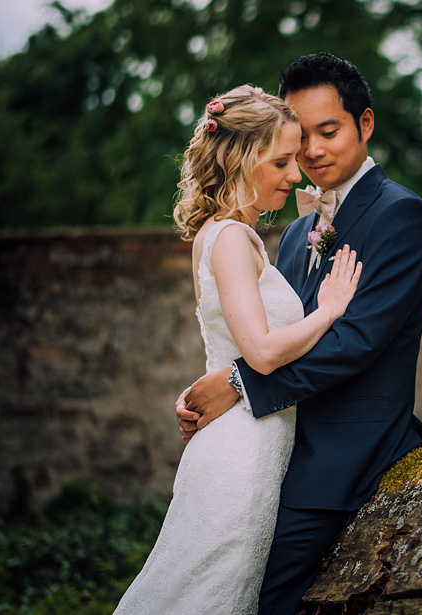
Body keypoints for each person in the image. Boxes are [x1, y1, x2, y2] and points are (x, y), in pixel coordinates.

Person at [176, 53, 422, 615]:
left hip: (344, 452)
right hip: (276, 445)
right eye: (302, 139)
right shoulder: (294, 234)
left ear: (364, 124)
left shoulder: (402, 216)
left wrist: (238, 386)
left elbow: (356, 344)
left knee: (261, 596)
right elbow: (270, 334)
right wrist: (218, 390)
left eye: (330, 131)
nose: (313, 152)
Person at [114, 85, 363, 614]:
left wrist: (315, 225)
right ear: (242, 159)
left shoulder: (225, 234)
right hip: (240, 453)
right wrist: (329, 309)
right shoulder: (230, 238)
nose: (295, 174)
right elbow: (263, 353)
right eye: (280, 162)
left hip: (252, 441)